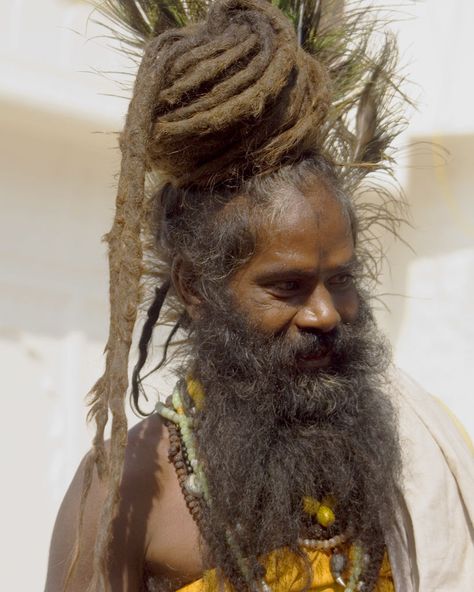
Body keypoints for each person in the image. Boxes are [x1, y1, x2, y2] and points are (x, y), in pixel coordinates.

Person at [45, 1, 474, 591]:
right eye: (288, 287)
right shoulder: (129, 488)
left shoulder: (411, 448)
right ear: (197, 288)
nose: (325, 314)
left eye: (342, 280)